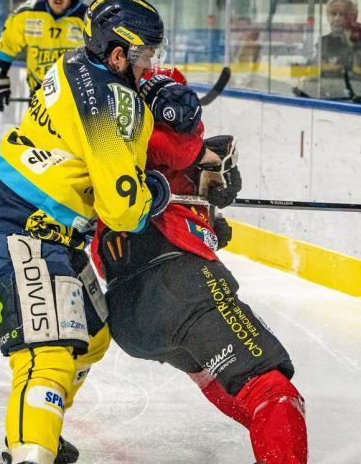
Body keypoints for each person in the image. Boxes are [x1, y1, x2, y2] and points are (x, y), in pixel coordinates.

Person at [0, 0, 181, 464]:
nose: (150, 65)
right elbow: (122, 211)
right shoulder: (107, 108)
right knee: (48, 352)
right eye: (145, 55)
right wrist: (155, 191)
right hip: (20, 228)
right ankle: (29, 451)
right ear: (117, 54)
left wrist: (148, 97)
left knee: (92, 336)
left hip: (37, 223)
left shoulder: (76, 61)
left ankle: (38, 429)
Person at [95, 64, 309, 464]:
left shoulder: (105, 143)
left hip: (129, 313)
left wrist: (204, 217)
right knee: (273, 393)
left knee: (232, 385)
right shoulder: (157, 132)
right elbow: (176, 150)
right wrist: (207, 165)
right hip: (182, 287)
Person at [0, 0, 88, 112]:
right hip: (38, 95)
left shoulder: (87, 19)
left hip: (76, 99)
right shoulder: (27, 14)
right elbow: (7, 46)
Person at [296, 0, 361, 100]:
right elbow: (312, 71)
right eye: (333, 14)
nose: (337, 18)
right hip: (326, 98)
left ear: (354, 16)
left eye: (342, 14)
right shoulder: (325, 42)